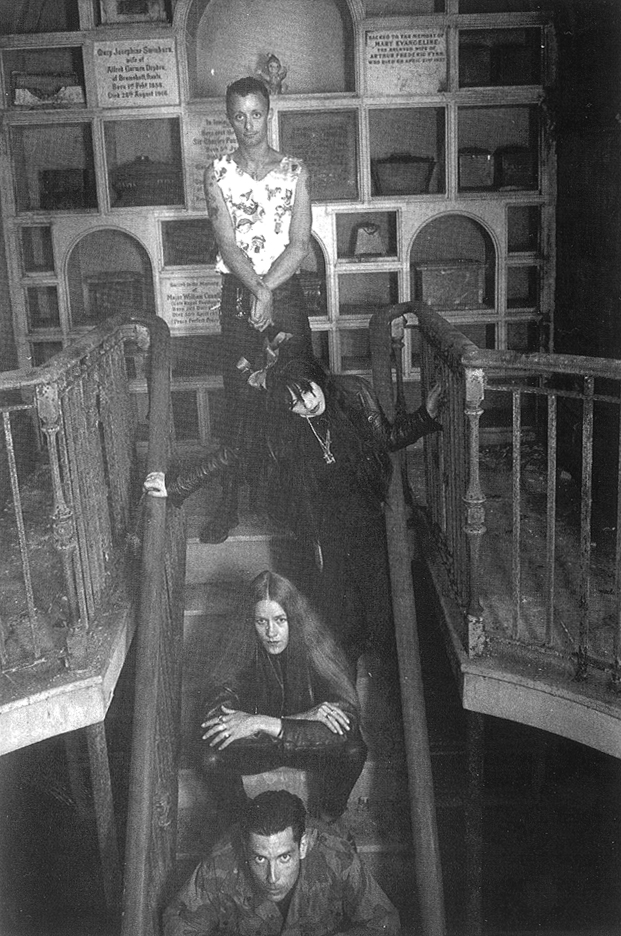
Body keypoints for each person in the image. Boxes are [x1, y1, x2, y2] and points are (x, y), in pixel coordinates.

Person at [265, 356, 443, 660]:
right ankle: (345, 663)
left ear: (317, 379)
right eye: (295, 404)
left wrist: (425, 415)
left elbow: (387, 438)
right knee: (334, 600)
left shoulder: (353, 394)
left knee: (377, 591)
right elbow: (289, 490)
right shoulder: (289, 429)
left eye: (308, 391)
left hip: (364, 510)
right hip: (324, 520)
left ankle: (383, 658)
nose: (308, 405)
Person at [200, 75, 313, 543]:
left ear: (269, 114)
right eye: (239, 115)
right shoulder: (217, 173)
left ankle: (295, 504)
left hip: (285, 294)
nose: (248, 124)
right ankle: (228, 505)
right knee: (240, 398)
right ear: (229, 119)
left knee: (295, 393)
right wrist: (256, 290)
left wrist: (266, 291)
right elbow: (227, 243)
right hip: (238, 292)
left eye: (256, 114)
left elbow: (300, 243)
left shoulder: (295, 171)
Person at [197, 571, 367, 825]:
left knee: (354, 750)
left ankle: (328, 816)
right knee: (209, 758)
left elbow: (347, 722)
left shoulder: (317, 646)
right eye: (261, 621)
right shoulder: (239, 648)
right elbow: (214, 721)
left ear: (293, 619)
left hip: (306, 747)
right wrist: (304, 718)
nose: (271, 632)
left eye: (280, 620)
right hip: (264, 748)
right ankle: (242, 822)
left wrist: (258, 722)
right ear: (251, 621)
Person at [162, 789, 400, 935]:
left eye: (284, 857)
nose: (272, 877)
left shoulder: (336, 856)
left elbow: (385, 921)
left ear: (303, 846)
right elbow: (179, 923)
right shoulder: (220, 863)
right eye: (260, 858)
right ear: (245, 848)